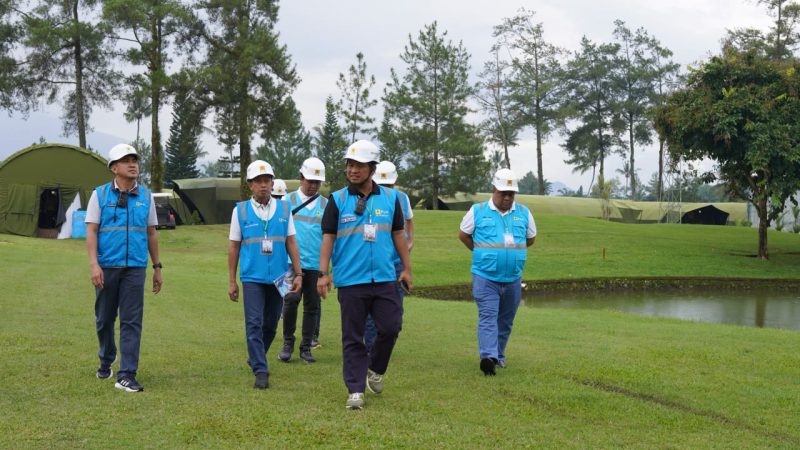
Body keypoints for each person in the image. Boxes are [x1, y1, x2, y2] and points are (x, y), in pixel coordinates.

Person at [317, 140, 412, 410]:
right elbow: (328, 238)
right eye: (350, 165)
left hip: (384, 278)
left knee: (390, 327)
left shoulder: (392, 199)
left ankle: (376, 368)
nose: (353, 170)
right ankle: (355, 390)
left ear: (372, 169)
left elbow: (398, 235)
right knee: (353, 336)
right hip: (350, 280)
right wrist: (323, 274)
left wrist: (407, 268)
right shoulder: (337, 200)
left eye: (359, 165)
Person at [85, 143, 162, 393]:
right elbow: (92, 231)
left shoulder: (147, 197)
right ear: (114, 168)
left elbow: (151, 233)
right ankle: (107, 357)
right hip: (107, 266)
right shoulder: (99, 195)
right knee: (104, 319)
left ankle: (127, 374)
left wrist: (157, 266)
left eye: (135, 160)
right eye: (126, 160)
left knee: (132, 321)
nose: (132, 164)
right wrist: (94, 264)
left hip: (135, 268)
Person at [228, 160, 303, 389]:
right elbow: (233, 247)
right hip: (252, 277)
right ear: (250, 185)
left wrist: (298, 273)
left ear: (272, 183)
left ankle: (256, 355)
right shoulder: (239, 210)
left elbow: (291, 241)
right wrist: (232, 280)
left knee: (270, 324)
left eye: (267, 180)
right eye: (258, 181)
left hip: (280, 276)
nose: (263, 185)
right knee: (254, 323)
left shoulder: (284, 209)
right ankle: (261, 369)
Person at [457, 168, 536, 376]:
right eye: (504, 193)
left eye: (511, 194)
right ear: (494, 189)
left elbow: (530, 239)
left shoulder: (524, 213)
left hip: (513, 278)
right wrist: (481, 251)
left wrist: (512, 255)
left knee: (506, 320)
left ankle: (499, 355)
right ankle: (488, 357)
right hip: (485, 276)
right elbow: (464, 235)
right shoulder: (478, 210)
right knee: (488, 316)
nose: (508, 198)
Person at [279, 157, 327, 364]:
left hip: (315, 265)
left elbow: (329, 237)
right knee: (290, 301)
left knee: (312, 306)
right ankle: (287, 343)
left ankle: (306, 347)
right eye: (310, 181)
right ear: (301, 178)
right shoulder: (286, 202)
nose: (313, 185)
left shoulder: (326, 205)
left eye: (317, 182)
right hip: (291, 264)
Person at [364, 160, 414, 353]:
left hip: (396, 263)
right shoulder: (367, 196)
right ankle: (371, 350)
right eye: (383, 185)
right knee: (371, 313)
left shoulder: (402, 198)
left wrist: (410, 242)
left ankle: (382, 346)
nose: (386, 189)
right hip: (374, 261)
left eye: (389, 185)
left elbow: (409, 220)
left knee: (396, 312)